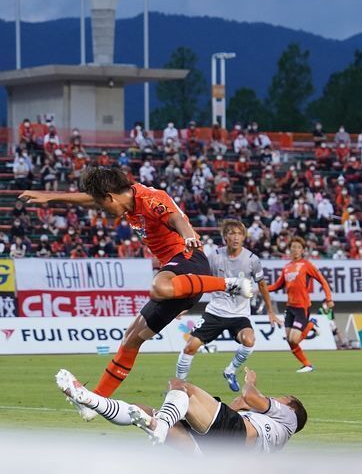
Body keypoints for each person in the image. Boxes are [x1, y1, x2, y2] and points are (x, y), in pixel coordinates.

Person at [20, 167, 252, 421]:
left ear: (110, 197)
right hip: (180, 280)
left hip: (188, 260)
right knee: (131, 338)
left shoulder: (150, 200)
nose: (104, 211)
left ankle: (229, 284)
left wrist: (188, 237)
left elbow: (177, 219)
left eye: (102, 204)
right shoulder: (124, 199)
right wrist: (50, 197)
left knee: (159, 287)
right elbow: (90, 198)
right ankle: (93, 403)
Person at [56, 367, 305, 453]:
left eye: (282, 398)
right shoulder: (272, 438)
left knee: (181, 387)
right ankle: (90, 401)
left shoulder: (289, 417)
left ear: (291, 405)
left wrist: (250, 380)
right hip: (215, 452)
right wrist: (242, 405)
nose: (275, 399)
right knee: (143, 412)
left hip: (232, 433)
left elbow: (249, 396)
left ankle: (160, 425)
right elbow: (228, 413)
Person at [176, 220, 280, 390]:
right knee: (190, 348)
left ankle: (230, 371)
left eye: (239, 233)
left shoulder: (252, 259)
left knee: (249, 340)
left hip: (239, 314)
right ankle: (179, 384)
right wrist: (185, 307)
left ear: (244, 237)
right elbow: (201, 283)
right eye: (231, 233)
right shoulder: (214, 257)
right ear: (225, 237)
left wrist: (270, 311)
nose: (236, 237)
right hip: (215, 312)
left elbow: (262, 286)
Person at [268, 237, 335, 372]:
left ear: (303, 250)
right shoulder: (286, 267)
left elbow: (322, 281)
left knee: (294, 339)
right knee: (289, 339)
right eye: (293, 247)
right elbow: (277, 285)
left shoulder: (306, 265)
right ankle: (307, 365)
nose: (296, 250)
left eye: (299, 247)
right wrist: (262, 289)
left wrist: (328, 298)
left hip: (302, 307)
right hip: (290, 307)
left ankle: (311, 324)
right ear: (290, 249)